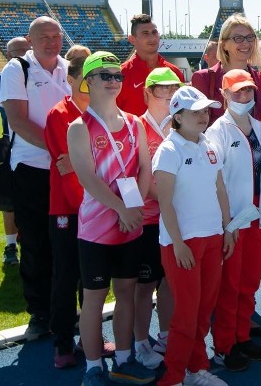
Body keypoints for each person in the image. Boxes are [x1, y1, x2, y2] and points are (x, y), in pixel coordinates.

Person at [67, 51, 155, 386]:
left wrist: (136, 208)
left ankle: (123, 358)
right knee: (94, 298)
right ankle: (92, 367)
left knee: (127, 292)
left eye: (117, 75)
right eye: (105, 75)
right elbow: (87, 178)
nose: (113, 81)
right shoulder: (79, 128)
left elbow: (145, 168)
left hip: (130, 225)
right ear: (88, 81)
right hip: (95, 230)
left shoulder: (135, 124)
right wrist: (121, 209)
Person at [152, 86, 233, 386]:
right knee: (186, 316)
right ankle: (173, 378)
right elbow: (165, 202)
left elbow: (220, 190)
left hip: (213, 238)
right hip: (183, 244)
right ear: (178, 116)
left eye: (205, 110)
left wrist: (227, 228)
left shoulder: (209, 145)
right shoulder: (168, 150)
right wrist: (178, 243)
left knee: (203, 313)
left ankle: (196, 369)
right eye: (196, 111)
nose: (204, 115)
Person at [0, 16, 71, 338]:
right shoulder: (17, 70)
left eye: (56, 35)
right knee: (35, 243)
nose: (52, 41)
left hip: (68, 168)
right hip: (33, 168)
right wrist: (58, 150)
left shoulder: (69, 68)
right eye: (44, 36)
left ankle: (64, 310)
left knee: (66, 243)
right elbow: (17, 119)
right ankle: (39, 314)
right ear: (30, 40)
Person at [205, 70, 261, 372]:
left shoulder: (260, 128)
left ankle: (242, 336)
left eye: (248, 91)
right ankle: (224, 345)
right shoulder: (216, 132)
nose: (243, 97)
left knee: (248, 282)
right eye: (236, 92)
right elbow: (216, 180)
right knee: (229, 286)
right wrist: (226, 223)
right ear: (224, 93)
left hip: (257, 218)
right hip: (233, 221)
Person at [44, 44, 93, 369]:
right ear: (72, 79)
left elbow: (85, 164)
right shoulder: (60, 115)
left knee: (91, 278)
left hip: (94, 210)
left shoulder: (100, 114)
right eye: (87, 77)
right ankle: (63, 340)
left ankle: (87, 336)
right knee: (66, 276)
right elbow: (68, 168)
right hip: (68, 210)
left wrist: (83, 164)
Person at [133, 68, 183, 369]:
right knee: (144, 285)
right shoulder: (136, 127)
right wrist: (168, 197)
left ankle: (164, 335)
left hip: (174, 219)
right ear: (147, 93)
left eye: (174, 89)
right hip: (148, 220)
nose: (169, 95)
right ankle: (141, 342)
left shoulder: (180, 127)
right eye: (163, 89)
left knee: (169, 282)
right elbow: (138, 175)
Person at [0, 35, 30, 266]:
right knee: (10, 201)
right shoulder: (3, 77)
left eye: (26, 50)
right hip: (13, 143)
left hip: (32, 144)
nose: (22, 55)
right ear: (8, 55)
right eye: (17, 51)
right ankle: (9, 245)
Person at [192, 14, 261, 124]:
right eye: (238, 38)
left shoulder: (256, 76)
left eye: (250, 37)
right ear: (224, 45)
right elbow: (196, 125)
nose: (246, 43)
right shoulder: (203, 78)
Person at [117, 14, 185, 116]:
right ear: (132, 39)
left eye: (154, 32)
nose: (152, 37)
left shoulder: (174, 72)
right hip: (133, 132)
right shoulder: (121, 74)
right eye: (145, 33)